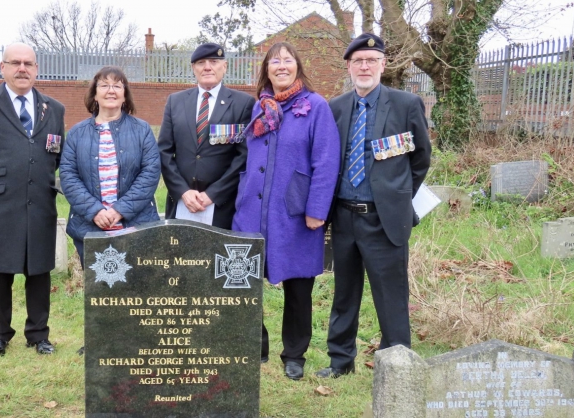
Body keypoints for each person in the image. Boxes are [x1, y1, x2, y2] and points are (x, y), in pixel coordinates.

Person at [315, 33, 432, 378]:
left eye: (371, 60)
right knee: (344, 294)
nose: (364, 67)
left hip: (384, 220)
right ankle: (340, 361)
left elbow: (420, 159)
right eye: (358, 61)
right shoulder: (335, 107)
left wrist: (397, 197)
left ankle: (396, 365)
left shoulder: (406, 104)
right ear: (349, 67)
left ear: (383, 65)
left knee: (390, 295)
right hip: (344, 217)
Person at [232, 42, 340, 380]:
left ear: (297, 66)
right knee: (244, 280)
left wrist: (317, 209)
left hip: (294, 211)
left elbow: (326, 161)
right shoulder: (259, 107)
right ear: (266, 69)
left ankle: (294, 354)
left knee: (298, 287)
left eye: (287, 60)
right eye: (274, 61)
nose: (281, 66)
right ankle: (255, 345)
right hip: (251, 210)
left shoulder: (315, 106)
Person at [0, 42, 65, 356]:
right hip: (0, 202)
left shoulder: (54, 109)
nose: (22, 69)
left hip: (40, 201)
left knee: (39, 270)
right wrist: (2, 181)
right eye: (15, 63)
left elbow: (55, 154)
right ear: (2, 68)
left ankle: (38, 334)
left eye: (28, 64)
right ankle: (0, 335)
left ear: (36, 69)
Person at [60, 66, 160, 266]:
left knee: (137, 284)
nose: (111, 91)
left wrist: (119, 210)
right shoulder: (77, 133)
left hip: (136, 227)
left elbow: (150, 174)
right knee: (99, 285)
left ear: (125, 95)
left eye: (117, 86)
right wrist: (95, 211)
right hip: (90, 228)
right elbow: (68, 176)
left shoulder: (142, 130)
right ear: (95, 94)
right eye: (104, 85)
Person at [159, 42, 257, 229]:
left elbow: (244, 156)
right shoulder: (175, 102)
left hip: (222, 206)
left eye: (214, 61)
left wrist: (213, 194)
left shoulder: (242, 103)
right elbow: (164, 151)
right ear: (193, 68)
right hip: (182, 204)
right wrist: (183, 191)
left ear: (224, 66)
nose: (207, 67)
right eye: (201, 62)